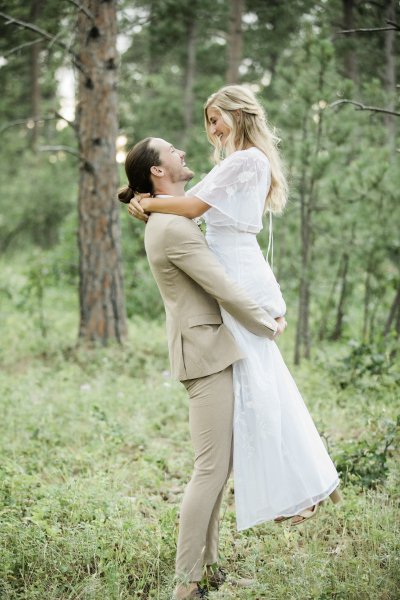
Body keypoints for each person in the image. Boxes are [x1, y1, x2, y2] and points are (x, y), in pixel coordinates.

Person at [128, 85, 342, 534]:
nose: (211, 130)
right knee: (254, 383)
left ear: (239, 113)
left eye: (215, 119)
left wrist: (145, 200)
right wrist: (148, 200)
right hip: (236, 263)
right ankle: (289, 488)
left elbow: (191, 206)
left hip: (237, 271)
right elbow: (190, 209)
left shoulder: (246, 160)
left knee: (258, 384)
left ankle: (290, 489)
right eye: (208, 121)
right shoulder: (235, 161)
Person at [118, 137, 287, 599]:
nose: (182, 152)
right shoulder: (171, 228)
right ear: (157, 169)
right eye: (172, 150)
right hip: (204, 350)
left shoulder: (165, 215)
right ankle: (186, 583)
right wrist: (266, 321)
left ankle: (209, 571)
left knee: (219, 464)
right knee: (210, 468)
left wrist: (146, 201)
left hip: (209, 347)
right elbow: (222, 285)